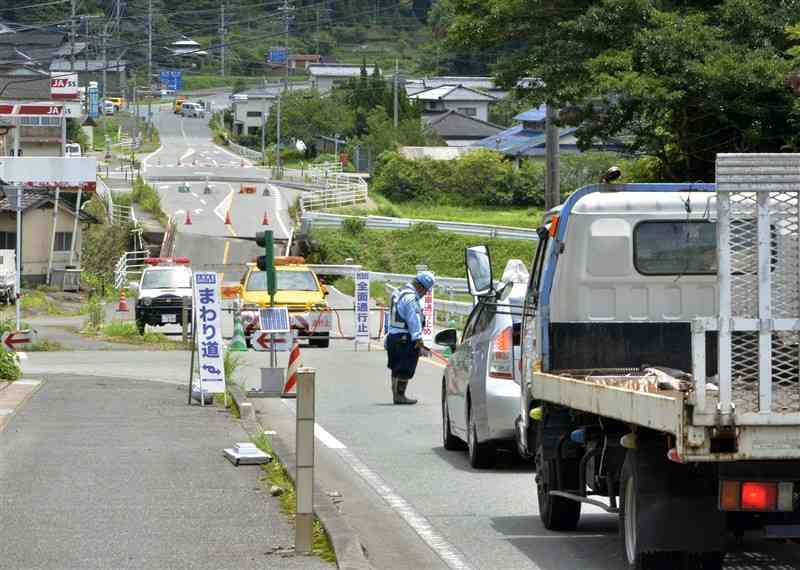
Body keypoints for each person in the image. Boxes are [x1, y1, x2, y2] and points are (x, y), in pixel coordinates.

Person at [385, 271, 435, 405]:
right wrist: (419, 340)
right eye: (425, 290)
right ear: (420, 286)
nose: (425, 294)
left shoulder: (398, 292)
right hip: (404, 337)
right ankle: (400, 396)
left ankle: (396, 394)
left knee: (396, 367)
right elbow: (414, 320)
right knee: (406, 367)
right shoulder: (411, 298)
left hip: (393, 336)